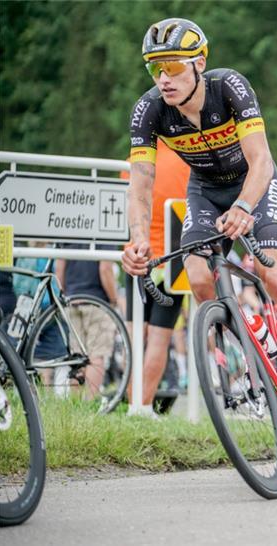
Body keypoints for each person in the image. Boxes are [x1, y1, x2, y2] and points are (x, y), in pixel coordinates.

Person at [121, 18, 277, 431]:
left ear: (200, 62)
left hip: (253, 182)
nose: (162, 79)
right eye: (155, 68)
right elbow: (141, 186)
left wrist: (243, 207)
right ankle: (254, 349)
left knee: (271, 270)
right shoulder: (149, 110)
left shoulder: (230, 88)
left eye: (172, 66)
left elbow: (261, 160)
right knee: (199, 276)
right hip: (204, 189)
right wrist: (136, 240)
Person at [122, 139, 189, 411]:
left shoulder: (130, 162)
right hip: (174, 259)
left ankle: (129, 405)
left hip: (137, 255)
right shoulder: (187, 160)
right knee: (160, 339)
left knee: (134, 335)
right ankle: (143, 407)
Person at [56, 245, 120, 398]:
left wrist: (65, 295)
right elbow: (105, 269)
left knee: (76, 356)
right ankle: (90, 403)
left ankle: (75, 403)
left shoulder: (67, 226)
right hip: (97, 300)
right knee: (96, 355)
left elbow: (59, 270)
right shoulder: (105, 230)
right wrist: (114, 300)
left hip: (72, 299)